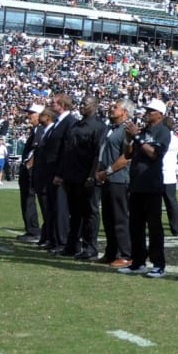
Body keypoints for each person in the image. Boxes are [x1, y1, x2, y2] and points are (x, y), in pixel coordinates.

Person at [119, 99, 172, 278]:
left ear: (160, 114)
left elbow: (154, 154)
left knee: (154, 227)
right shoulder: (143, 131)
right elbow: (128, 154)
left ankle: (158, 264)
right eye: (147, 110)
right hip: (137, 184)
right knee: (136, 226)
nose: (147, 113)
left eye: (151, 110)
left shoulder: (163, 132)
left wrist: (137, 137)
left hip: (152, 185)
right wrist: (129, 139)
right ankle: (138, 261)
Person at [60, 95, 106, 260]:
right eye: (81, 103)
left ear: (94, 106)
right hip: (72, 175)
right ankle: (72, 245)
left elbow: (97, 154)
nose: (81, 106)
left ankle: (90, 247)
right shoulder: (77, 125)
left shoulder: (99, 127)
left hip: (87, 176)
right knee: (74, 213)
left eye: (85, 104)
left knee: (90, 212)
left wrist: (91, 176)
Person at [95, 99, 134, 268]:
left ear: (125, 112)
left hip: (119, 179)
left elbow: (126, 157)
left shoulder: (126, 130)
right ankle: (111, 252)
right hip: (107, 179)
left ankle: (126, 254)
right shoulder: (113, 129)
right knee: (109, 218)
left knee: (120, 218)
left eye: (115, 107)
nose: (111, 109)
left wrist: (107, 171)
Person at [38, 93, 75, 255]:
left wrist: (60, 173)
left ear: (62, 105)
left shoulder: (69, 122)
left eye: (54, 103)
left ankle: (62, 242)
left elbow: (66, 150)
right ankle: (53, 239)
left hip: (60, 173)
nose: (51, 105)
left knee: (60, 208)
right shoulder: (58, 123)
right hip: (50, 171)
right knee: (52, 207)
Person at [16, 103, 45, 243]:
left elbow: (37, 149)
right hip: (32, 169)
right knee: (29, 199)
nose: (29, 116)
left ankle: (34, 231)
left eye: (32, 113)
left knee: (29, 199)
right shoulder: (36, 130)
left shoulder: (39, 130)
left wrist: (28, 165)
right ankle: (34, 230)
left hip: (32, 170)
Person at [162, 126, 178, 237]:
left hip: (160, 175)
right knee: (172, 205)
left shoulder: (162, 137)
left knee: (155, 205)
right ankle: (176, 230)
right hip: (170, 176)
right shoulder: (176, 140)